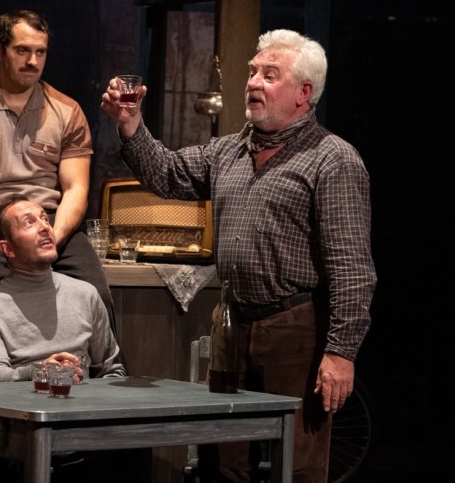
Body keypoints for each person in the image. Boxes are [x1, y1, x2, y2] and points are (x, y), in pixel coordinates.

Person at [101, 29, 376, 483]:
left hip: (295, 327)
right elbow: (166, 174)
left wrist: (341, 352)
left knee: (297, 463)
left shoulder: (333, 159)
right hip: (232, 321)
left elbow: (352, 268)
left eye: (270, 75)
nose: (253, 82)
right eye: (252, 72)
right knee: (223, 459)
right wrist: (130, 123)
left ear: (303, 92)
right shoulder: (228, 150)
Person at [0, 8, 115, 384]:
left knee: (97, 289)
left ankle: (109, 391)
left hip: (49, 217)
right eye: (22, 50)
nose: (32, 61)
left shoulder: (67, 111)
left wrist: (50, 235)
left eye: (40, 52)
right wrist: (11, 231)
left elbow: (76, 189)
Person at [0, 194, 125, 383]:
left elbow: (112, 370)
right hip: (21, 400)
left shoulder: (85, 294)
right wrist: (39, 371)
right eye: (29, 223)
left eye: (45, 219)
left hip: (82, 399)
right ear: (7, 249)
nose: (44, 227)